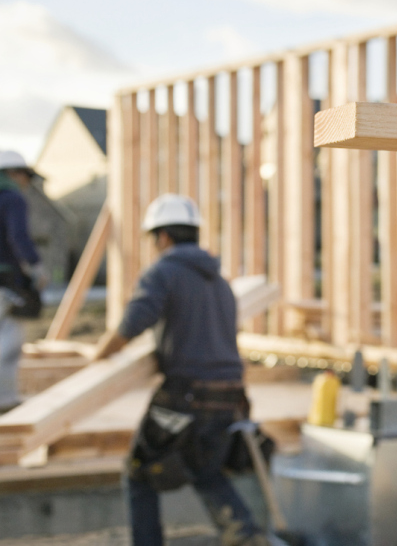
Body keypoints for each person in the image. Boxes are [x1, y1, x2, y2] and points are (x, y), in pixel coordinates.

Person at [95, 193, 268, 546]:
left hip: (185, 395)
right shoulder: (220, 284)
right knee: (205, 471)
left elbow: (133, 323)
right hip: (230, 396)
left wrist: (100, 355)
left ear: (162, 237)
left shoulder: (163, 272)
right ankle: (247, 537)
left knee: (139, 474)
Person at [0, 150, 46, 414]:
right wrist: (35, 268)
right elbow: (19, 237)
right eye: (25, 176)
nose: (26, 183)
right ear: (13, 173)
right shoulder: (12, 199)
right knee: (8, 340)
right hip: (5, 283)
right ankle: (4, 401)